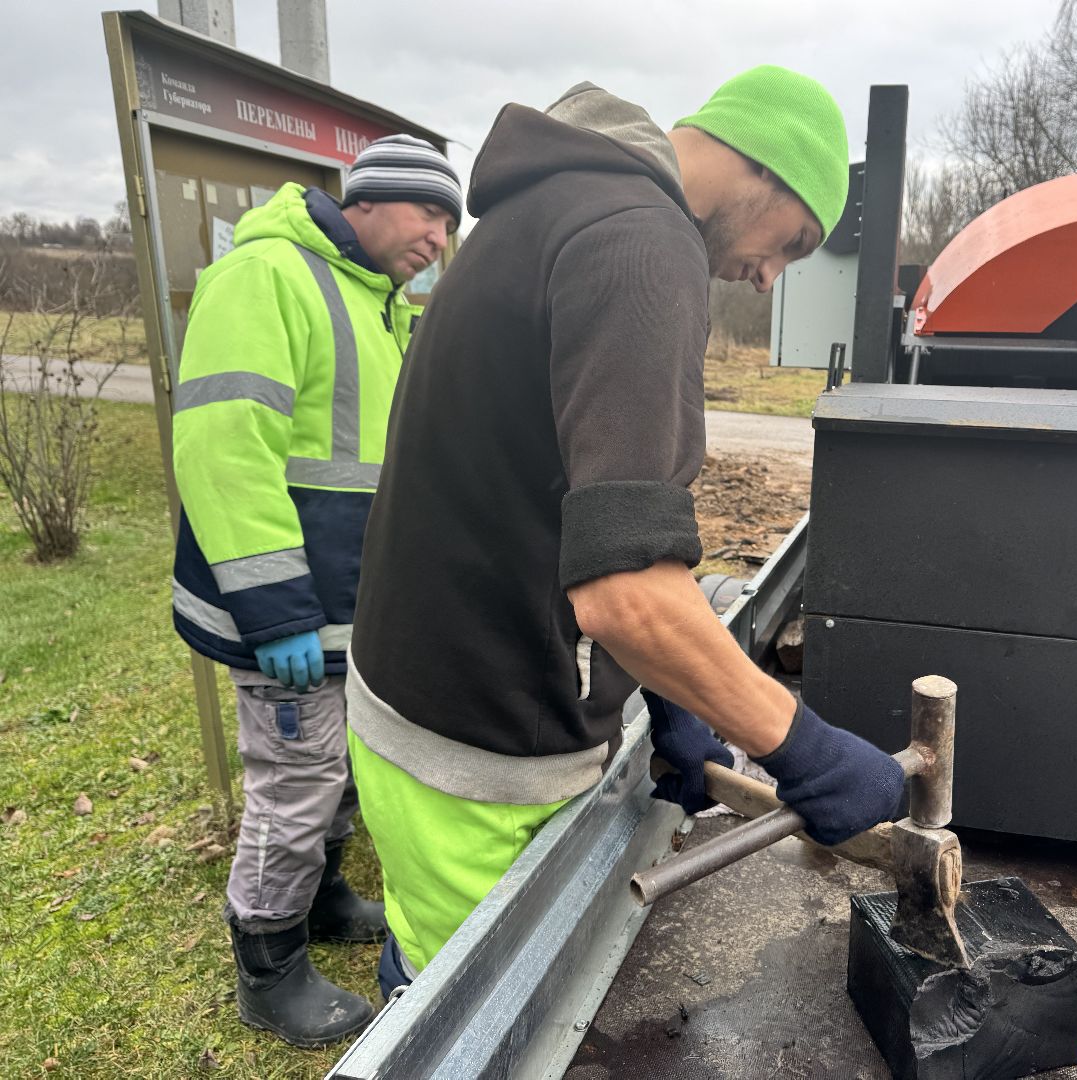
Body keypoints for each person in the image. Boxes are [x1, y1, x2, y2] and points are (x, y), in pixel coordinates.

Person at [345, 66, 907, 996]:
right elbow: (627, 591)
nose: (769, 276)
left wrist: (671, 696)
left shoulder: (554, 202)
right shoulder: (643, 244)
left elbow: (549, 493)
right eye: (792, 242)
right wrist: (803, 746)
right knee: (472, 1013)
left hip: (411, 694)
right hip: (484, 746)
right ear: (762, 163)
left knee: (428, 951)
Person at [168, 134, 461, 1046]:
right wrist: (278, 612)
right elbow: (224, 452)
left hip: (347, 609)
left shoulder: (378, 303)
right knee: (295, 782)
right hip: (287, 613)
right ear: (367, 199)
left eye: (450, 223)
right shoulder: (266, 277)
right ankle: (269, 968)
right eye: (430, 214)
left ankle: (322, 896)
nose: (440, 239)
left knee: (335, 772)